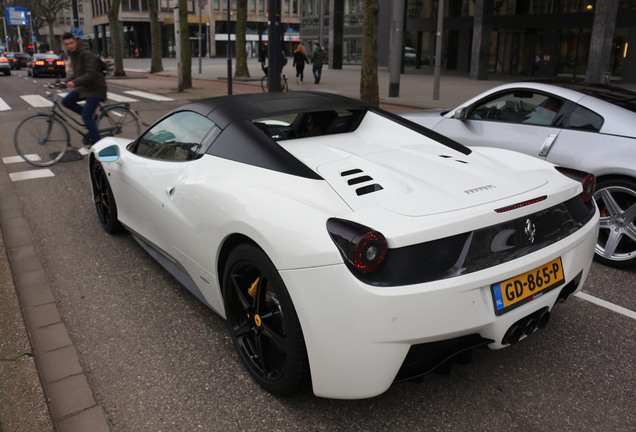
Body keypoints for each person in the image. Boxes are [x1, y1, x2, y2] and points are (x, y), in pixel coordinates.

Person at [61, 32, 107, 146]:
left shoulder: (85, 53)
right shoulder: (74, 54)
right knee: (66, 101)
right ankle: (91, 118)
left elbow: (91, 73)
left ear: (76, 41)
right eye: (66, 44)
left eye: (71, 43)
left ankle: (97, 146)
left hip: (96, 88)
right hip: (85, 87)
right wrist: (64, 83)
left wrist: (74, 83)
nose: (69, 46)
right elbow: (77, 74)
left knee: (86, 116)